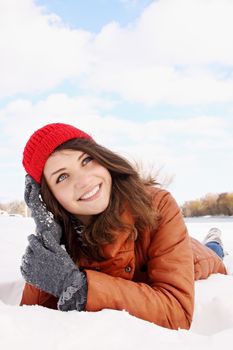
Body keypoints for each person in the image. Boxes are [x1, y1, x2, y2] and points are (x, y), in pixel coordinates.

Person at [20, 122, 227, 330]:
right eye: (62, 177)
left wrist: (83, 288)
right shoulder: (58, 234)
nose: (84, 180)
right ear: (48, 198)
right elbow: (30, 322)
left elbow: (178, 313)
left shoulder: (158, 204)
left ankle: (214, 239)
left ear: (101, 158)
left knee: (212, 252)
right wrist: (48, 239)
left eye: (87, 160)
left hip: (193, 257)